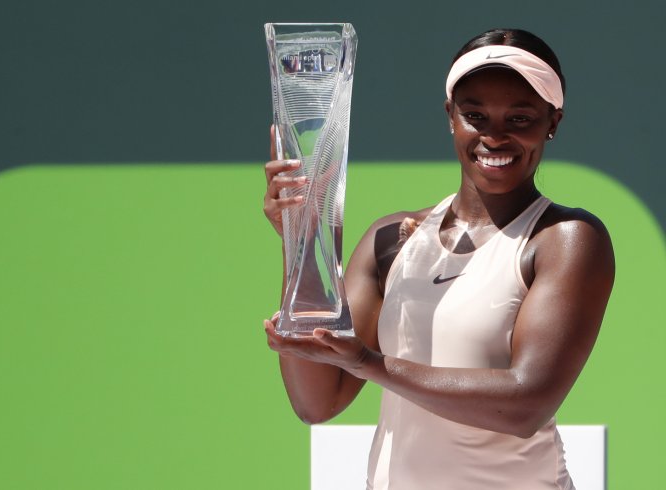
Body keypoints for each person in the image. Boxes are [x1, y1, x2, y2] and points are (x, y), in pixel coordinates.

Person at [262, 28, 615, 490]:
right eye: (475, 115)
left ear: (553, 121)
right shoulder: (390, 239)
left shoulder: (566, 239)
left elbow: (527, 403)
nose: (495, 136)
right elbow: (317, 402)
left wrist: (368, 362)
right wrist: (302, 238)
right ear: (451, 116)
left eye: (520, 118)